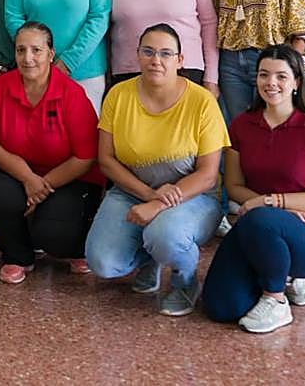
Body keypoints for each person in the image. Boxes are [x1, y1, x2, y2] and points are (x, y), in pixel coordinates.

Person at [201, 45, 305, 334]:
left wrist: (272, 202)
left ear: (296, 82)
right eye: (264, 75)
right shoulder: (242, 125)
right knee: (220, 306)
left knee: (261, 219)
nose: (271, 83)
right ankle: (278, 272)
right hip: (261, 227)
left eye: (281, 76)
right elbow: (234, 186)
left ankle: (276, 298)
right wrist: (280, 209)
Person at [85, 24, 227, 317]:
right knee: (103, 262)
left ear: (180, 60)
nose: (156, 60)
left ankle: (184, 282)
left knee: (166, 234)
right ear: (136, 55)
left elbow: (208, 174)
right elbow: (107, 160)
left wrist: (158, 205)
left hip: (193, 198)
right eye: (148, 52)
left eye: (165, 53)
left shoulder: (202, 102)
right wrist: (150, 196)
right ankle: (151, 260)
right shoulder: (117, 96)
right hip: (134, 191)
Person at [0, 22, 102, 283]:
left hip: (69, 178)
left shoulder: (71, 93)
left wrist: (41, 186)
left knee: (54, 235)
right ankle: (18, 256)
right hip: (21, 174)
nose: (28, 58)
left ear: (50, 54)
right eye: (21, 50)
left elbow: (86, 156)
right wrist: (27, 178)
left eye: (36, 50)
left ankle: (75, 248)